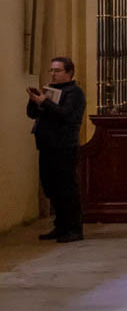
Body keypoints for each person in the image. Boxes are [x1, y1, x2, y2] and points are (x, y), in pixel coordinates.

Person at [26, 56, 86, 243]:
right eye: (51, 70)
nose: (52, 73)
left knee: (66, 188)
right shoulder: (50, 91)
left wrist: (44, 101)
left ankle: (74, 229)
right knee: (50, 187)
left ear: (68, 73)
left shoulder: (74, 93)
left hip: (64, 146)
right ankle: (60, 226)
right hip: (47, 146)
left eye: (57, 70)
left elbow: (67, 115)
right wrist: (34, 100)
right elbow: (32, 114)